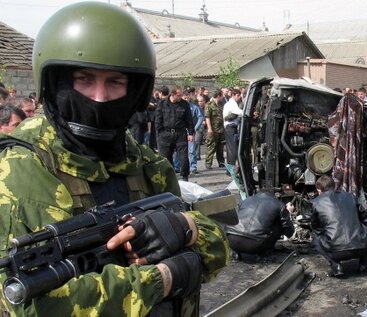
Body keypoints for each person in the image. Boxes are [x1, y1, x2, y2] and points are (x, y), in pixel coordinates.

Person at [0, 3, 228, 316]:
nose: (99, 97)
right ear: (55, 84)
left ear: (135, 90)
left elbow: (217, 247)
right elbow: (31, 305)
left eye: (115, 82)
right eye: (84, 79)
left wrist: (186, 226)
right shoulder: (18, 170)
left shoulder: (148, 166)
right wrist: (163, 278)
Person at [311, 175, 367, 277]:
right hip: (361, 246)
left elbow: (316, 228)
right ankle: (363, 263)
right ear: (334, 186)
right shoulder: (350, 196)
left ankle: (336, 265)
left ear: (318, 190)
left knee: (315, 238)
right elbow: (365, 218)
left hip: (336, 251)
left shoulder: (316, 202)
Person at [225, 192, 294, 259]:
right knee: (279, 224)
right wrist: (288, 212)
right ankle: (265, 253)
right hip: (256, 245)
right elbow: (289, 232)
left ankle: (237, 253)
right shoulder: (279, 204)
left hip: (231, 240)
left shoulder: (246, 200)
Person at [155, 86, 195, 181]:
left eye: (181, 95)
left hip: (180, 133)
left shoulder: (184, 104)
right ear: (172, 94)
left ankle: (185, 176)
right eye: (179, 95)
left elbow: (189, 120)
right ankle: (169, 178)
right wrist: (160, 133)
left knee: (184, 158)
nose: (181, 97)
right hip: (166, 134)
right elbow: (157, 120)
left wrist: (190, 133)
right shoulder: (162, 104)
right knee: (165, 158)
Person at [204, 90, 225, 169]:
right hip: (213, 129)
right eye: (222, 96)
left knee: (220, 147)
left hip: (220, 129)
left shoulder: (220, 104)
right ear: (218, 96)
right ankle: (208, 163)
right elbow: (207, 117)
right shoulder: (209, 105)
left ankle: (221, 162)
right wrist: (209, 128)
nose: (223, 97)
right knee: (211, 146)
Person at [222, 88, 243, 167]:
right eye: (238, 95)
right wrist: (246, 112)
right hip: (230, 127)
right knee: (232, 149)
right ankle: (230, 168)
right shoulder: (231, 103)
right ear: (233, 95)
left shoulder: (232, 103)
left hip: (231, 127)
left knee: (232, 148)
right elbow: (239, 112)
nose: (239, 97)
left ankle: (231, 167)